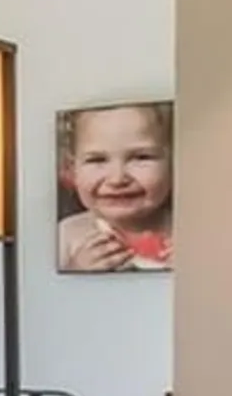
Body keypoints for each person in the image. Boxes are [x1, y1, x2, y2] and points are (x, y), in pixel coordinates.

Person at [55, 103, 174, 273]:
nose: (117, 179)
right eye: (97, 160)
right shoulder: (66, 236)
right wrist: (76, 270)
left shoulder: (194, 232)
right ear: (71, 170)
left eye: (141, 157)